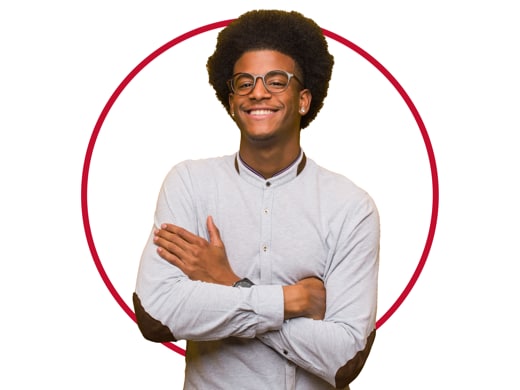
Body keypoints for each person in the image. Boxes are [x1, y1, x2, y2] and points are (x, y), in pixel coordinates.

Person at [133, 9, 380, 390]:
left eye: (276, 81)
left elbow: (345, 358)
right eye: (244, 83)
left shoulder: (350, 207)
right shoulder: (190, 184)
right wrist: (293, 300)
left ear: (303, 99)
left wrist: (229, 284)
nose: (258, 92)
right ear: (231, 101)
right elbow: (155, 315)